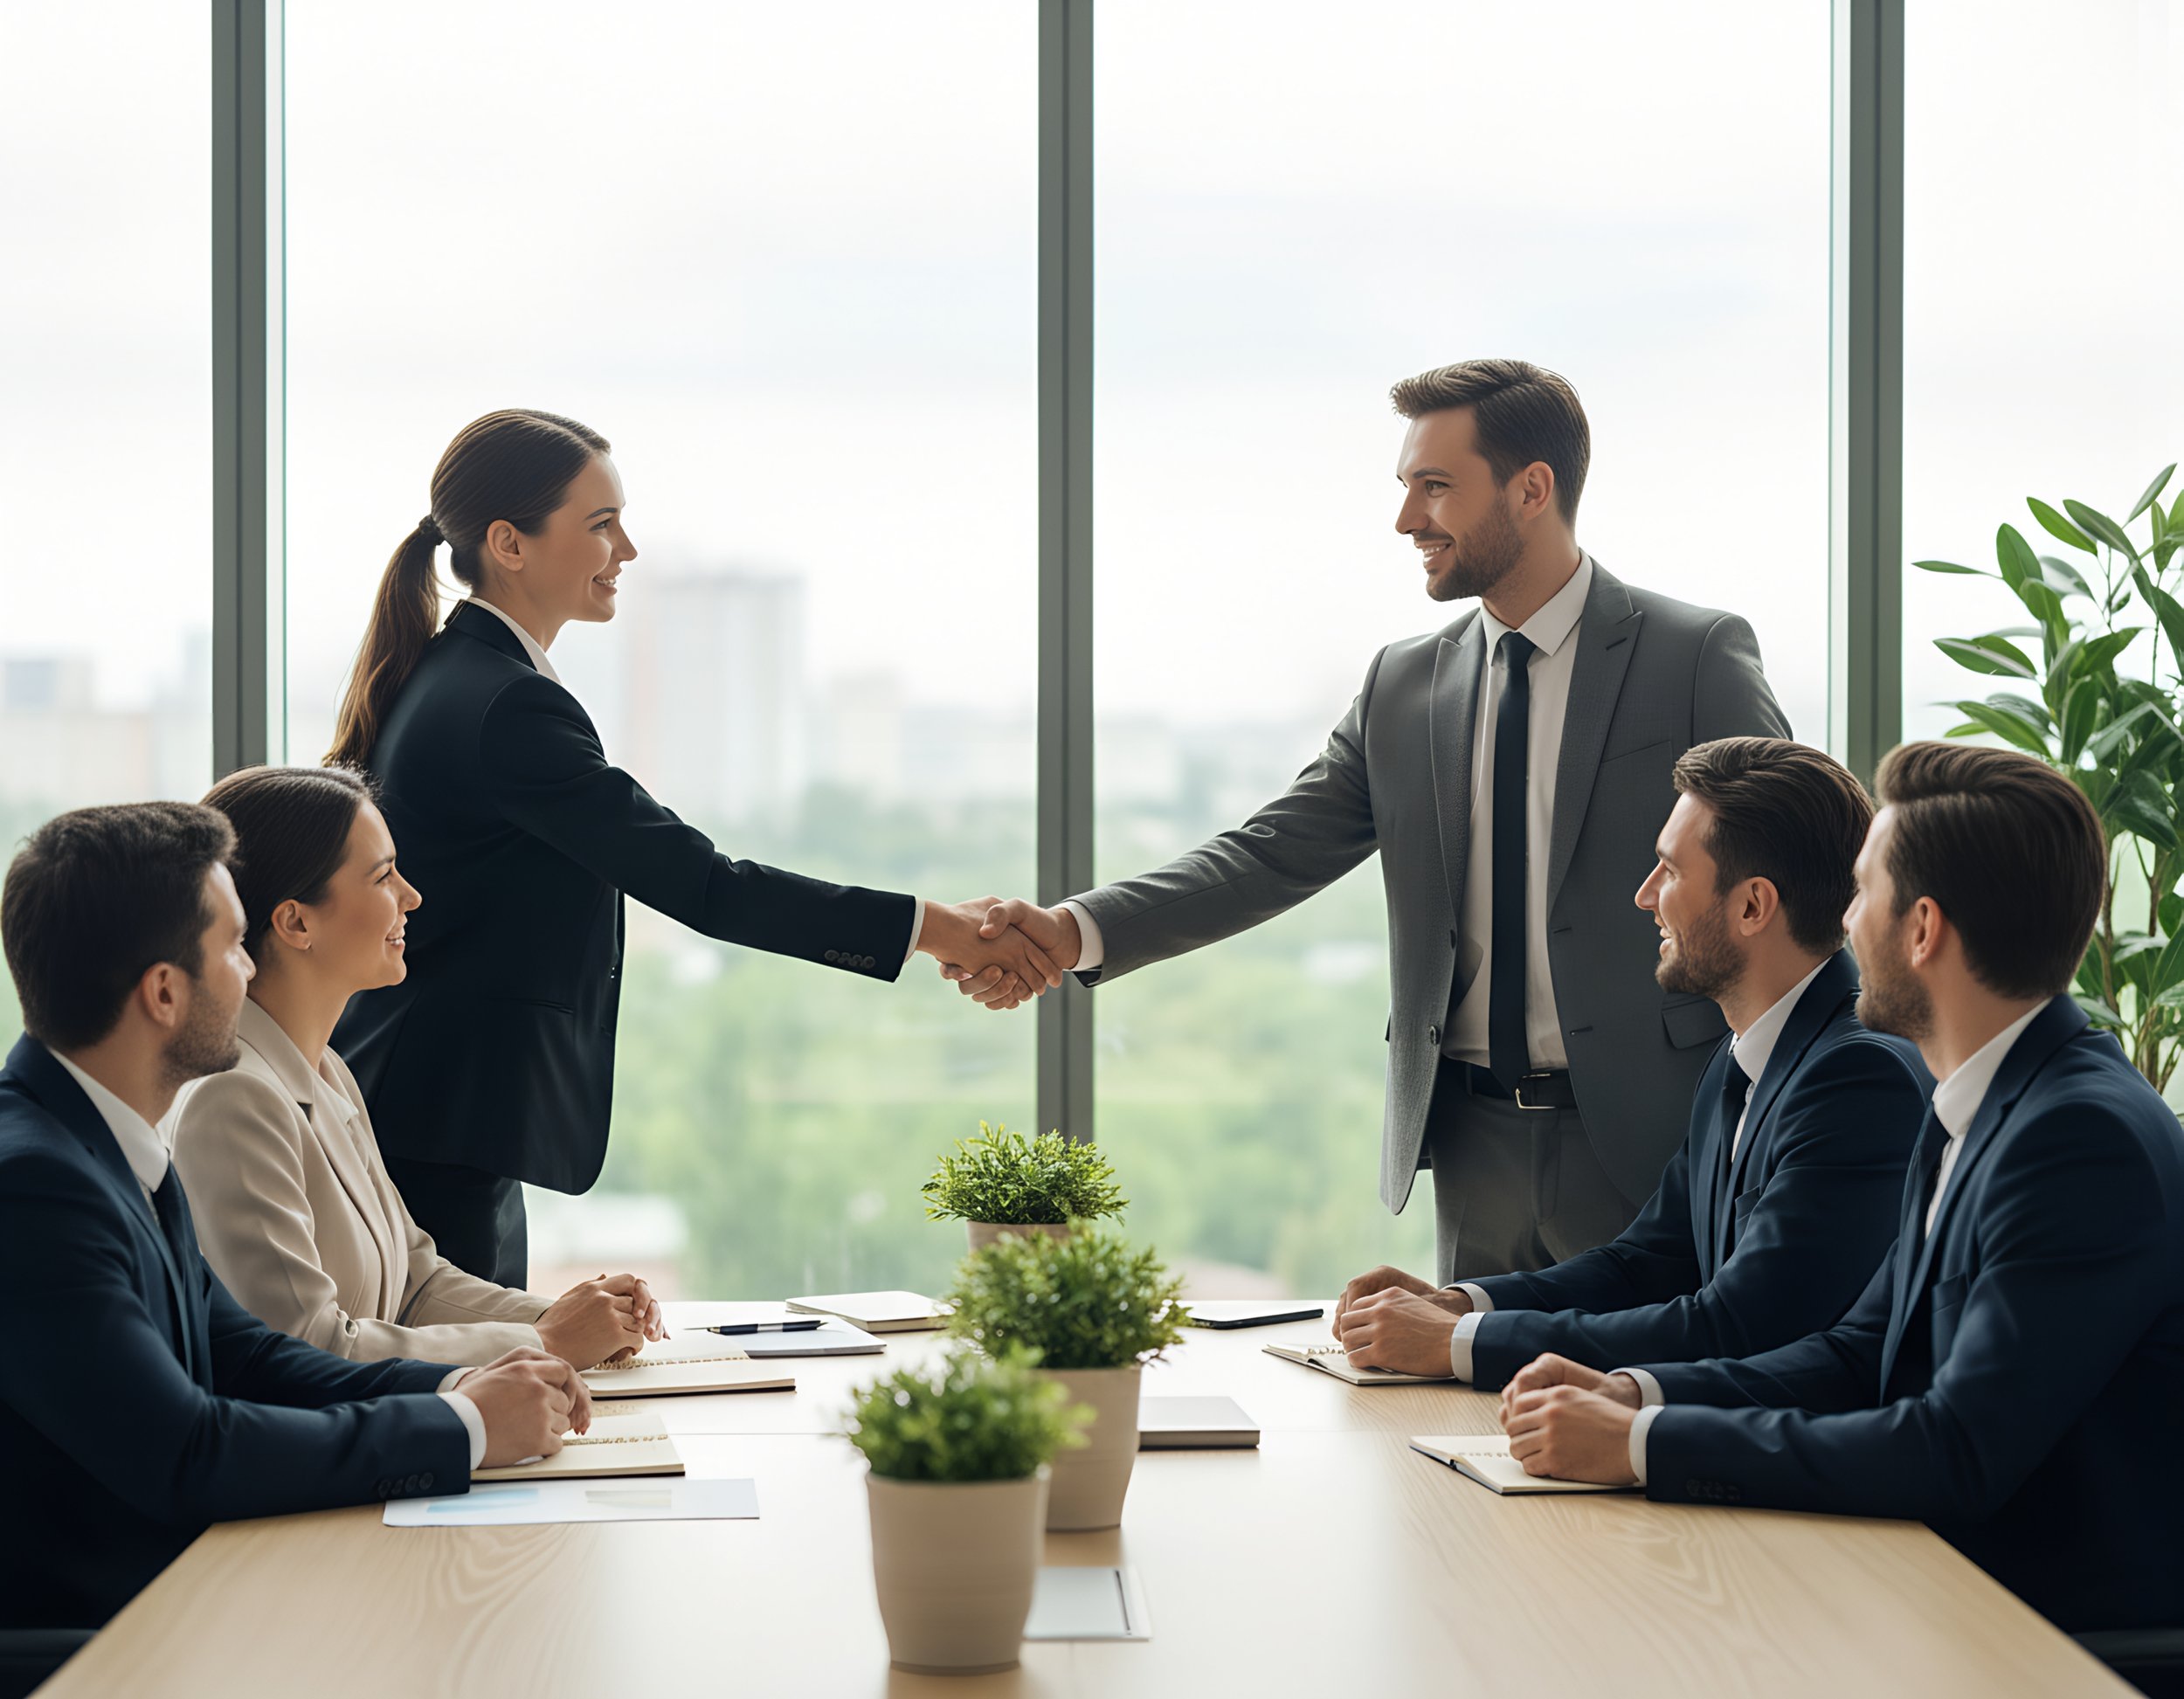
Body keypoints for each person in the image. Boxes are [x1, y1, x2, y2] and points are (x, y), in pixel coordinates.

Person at [951, 359, 1789, 1277]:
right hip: (1472, 1145)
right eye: (1405, 488)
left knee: (1638, 1405)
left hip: (1656, 1136)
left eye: (1435, 487)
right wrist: (1073, 930)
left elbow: (1804, 863)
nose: (1406, 520)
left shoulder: (1692, 656)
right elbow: (1268, 853)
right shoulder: (1405, 685)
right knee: (1462, 1404)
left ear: (1531, 488)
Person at [325, 409, 1061, 1286]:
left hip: (438, 1115)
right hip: (443, 1123)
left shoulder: (463, 677)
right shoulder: (506, 706)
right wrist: (936, 927)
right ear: (508, 544)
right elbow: (701, 882)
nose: (627, 550)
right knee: (479, 1397)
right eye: (601, 525)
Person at [1498, 742, 2184, 1637]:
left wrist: (1638, 1446)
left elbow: (1954, 1447)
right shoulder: (1979, 1105)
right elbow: (1857, 1354)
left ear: (1922, 929)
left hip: (2053, 1640)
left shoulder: (2077, 1138)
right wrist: (1635, 1395)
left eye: (1862, 894)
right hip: (1945, 1590)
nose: (1843, 924)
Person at [0, 802, 591, 1638]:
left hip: (185, 1599)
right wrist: (460, 1426)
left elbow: (249, 1355)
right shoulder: (35, 1186)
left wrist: (461, 1389)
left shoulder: (104, 1143)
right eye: (234, 949)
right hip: (103, 1641)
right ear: (164, 992)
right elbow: (188, 1449)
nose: (250, 974)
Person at [1330, 736, 1930, 1385]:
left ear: (1753, 905)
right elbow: (1643, 1263)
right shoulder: (1743, 1054)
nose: (1645, 895)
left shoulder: (1857, 1080)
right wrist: (1461, 1302)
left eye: (1670, 870)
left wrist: (1459, 1342)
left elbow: (1735, 1325)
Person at [172, 765, 666, 1369]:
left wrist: (565, 1317)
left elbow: (415, 1285)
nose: (411, 895)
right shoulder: (233, 1100)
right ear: (296, 920)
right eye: (383, 876)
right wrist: (546, 1342)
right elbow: (308, 1345)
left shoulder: (326, 1071)